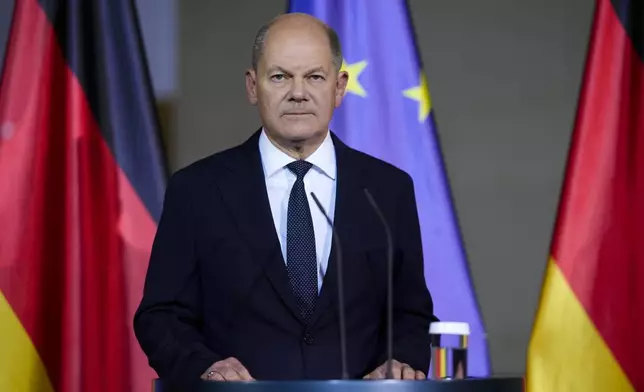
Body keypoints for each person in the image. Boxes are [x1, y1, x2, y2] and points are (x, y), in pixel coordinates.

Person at [134, 12, 436, 387]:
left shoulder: (387, 191)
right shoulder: (197, 190)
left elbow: (410, 313)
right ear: (252, 86)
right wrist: (205, 366)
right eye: (280, 77)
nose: (298, 92)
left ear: (339, 87)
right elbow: (161, 316)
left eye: (314, 77)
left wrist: (400, 360)